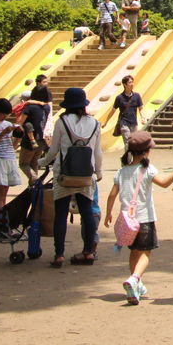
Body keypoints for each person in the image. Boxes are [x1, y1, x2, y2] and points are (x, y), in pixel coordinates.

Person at [104, 131, 173, 305]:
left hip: (127, 220)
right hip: (144, 218)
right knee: (146, 253)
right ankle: (135, 278)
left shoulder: (122, 171)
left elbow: (111, 195)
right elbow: (164, 183)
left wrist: (109, 213)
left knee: (134, 252)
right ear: (147, 151)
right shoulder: (147, 169)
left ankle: (136, 286)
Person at [40, 87, 104, 267]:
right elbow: (98, 152)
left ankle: (59, 254)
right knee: (87, 212)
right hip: (86, 175)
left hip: (64, 175)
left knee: (60, 214)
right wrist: (98, 172)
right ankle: (88, 251)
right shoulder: (95, 123)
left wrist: (41, 162)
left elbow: (53, 151)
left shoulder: (62, 122)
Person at [112, 75, 144, 150]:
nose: (132, 84)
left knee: (134, 142)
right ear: (124, 85)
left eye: (132, 82)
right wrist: (106, 122)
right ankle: (128, 160)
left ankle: (129, 159)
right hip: (124, 123)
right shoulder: (119, 97)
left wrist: (142, 117)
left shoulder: (137, 96)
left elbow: (140, 108)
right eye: (130, 82)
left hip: (134, 123)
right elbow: (113, 110)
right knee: (128, 142)